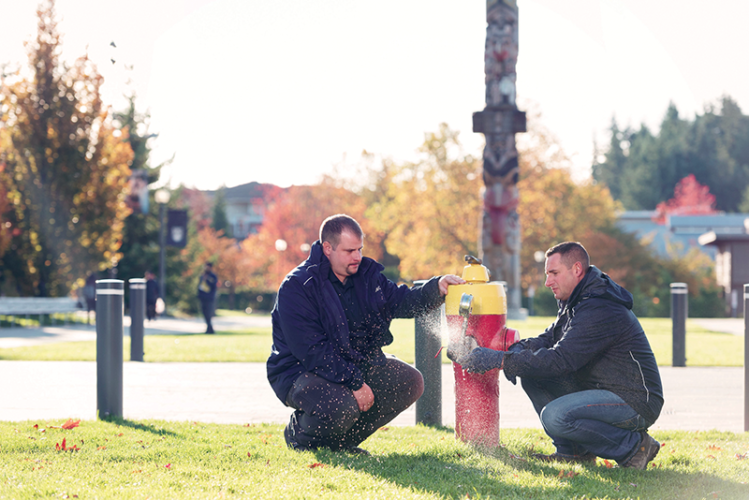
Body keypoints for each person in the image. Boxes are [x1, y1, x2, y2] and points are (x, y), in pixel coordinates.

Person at [455, 241, 664, 469]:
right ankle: (573, 453)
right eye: (547, 274)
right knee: (534, 375)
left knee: (555, 416)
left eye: (554, 273)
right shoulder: (576, 300)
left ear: (576, 269)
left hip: (635, 400)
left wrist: (501, 360)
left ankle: (635, 447)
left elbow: (561, 360)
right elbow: (549, 338)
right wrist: (514, 350)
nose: (547, 282)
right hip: (604, 389)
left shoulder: (599, 307)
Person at [267, 214, 465, 454]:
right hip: (300, 370)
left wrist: (436, 288)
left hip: (352, 363)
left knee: (410, 382)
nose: (358, 257)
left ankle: (340, 444)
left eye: (360, 249)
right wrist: (355, 382)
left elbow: (401, 300)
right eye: (350, 250)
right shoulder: (298, 286)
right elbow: (312, 351)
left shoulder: (366, 276)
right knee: (341, 404)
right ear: (327, 249)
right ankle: (300, 436)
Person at [197, 262, 218, 334]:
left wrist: (208, 279)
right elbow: (200, 286)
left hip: (209, 298)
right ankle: (209, 329)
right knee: (204, 313)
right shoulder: (202, 276)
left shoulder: (213, 276)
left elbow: (213, 286)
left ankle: (210, 329)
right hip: (203, 297)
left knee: (208, 314)